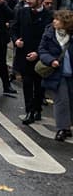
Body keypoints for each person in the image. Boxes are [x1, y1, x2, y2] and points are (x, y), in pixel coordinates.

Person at [11, 0, 54, 125]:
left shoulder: (49, 16)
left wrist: (38, 53)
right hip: (24, 54)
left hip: (41, 56)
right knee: (27, 83)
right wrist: (16, 40)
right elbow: (14, 28)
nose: (27, 1)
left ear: (40, 0)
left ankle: (37, 109)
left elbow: (50, 39)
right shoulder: (22, 12)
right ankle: (30, 110)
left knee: (40, 85)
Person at [38, 9, 73, 141]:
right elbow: (42, 50)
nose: (54, 21)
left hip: (71, 72)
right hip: (58, 73)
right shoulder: (49, 34)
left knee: (70, 100)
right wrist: (51, 60)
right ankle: (61, 129)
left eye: (58, 19)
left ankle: (67, 126)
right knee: (61, 100)